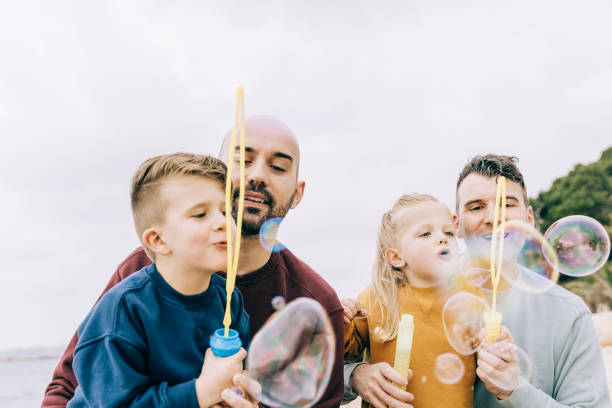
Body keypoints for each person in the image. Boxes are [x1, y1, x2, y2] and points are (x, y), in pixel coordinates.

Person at [43, 116, 344, 408]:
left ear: (297, 193)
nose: (257, 176)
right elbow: (69, 388)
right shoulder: (139, 276)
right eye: (243, 161)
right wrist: (200, 394)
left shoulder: (311, 300)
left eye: (278, 167)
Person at [344, 154, 611, 408]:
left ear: (529, 219)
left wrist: (514, 390)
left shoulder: (569, 314)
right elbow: (329, 363)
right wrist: (357, 375)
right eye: (476, 207)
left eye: (507, 204)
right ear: (456, 225)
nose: (494, 218)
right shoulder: (401, 290)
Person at [67, 153, 258, 407]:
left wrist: (240, 397)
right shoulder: (122, 312)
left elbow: (230, 384)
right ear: (157, 240)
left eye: (225, 211)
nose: (222, 222)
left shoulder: (230, 300)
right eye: (200, 214)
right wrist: (200, 392)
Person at [343, 193, 485, 408]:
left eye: (448, 232)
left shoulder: (470, 290)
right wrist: (342, 320)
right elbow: (346, 355)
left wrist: (496, 341)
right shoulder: (377, 296)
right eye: (426, 233)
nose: (442, 238)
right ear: (396, 257)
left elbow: (487, 345)